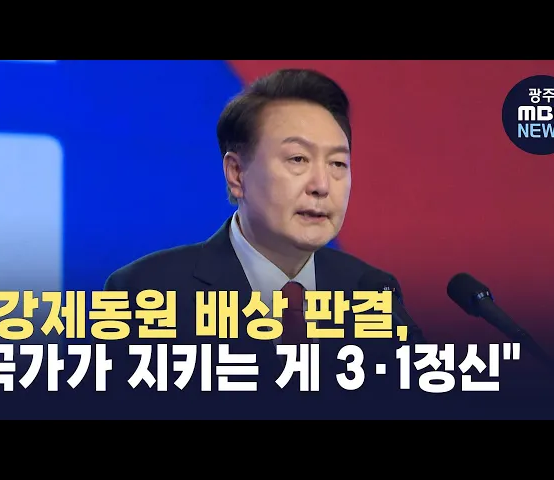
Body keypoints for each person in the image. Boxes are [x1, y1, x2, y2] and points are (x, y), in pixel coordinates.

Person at [104, 69, 411, 419]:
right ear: (237, 174)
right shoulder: (145, 294)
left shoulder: (370, 293)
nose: (322, 185)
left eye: (338, 163)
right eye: (298, 159)